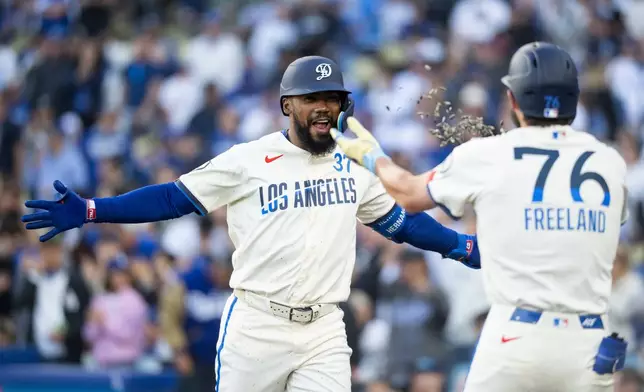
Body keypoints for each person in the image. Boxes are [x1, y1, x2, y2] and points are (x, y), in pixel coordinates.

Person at [20, 55, 480, 392]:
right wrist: (93, 210)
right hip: (258, 325)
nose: (324, 108)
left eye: (334, 99)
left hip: (323, 329)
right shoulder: (248, 160)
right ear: (287, 105)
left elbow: (399, 223)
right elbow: (172, 198)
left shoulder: (352, 162)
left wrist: (462, 246)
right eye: (312, 99)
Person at [331, 42, 629, 391]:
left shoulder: (490, 153)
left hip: (518, 334)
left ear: (513, 100)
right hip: (590, 343)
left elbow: (408, 194)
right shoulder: (610, 163)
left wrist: (373, 157)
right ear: (574, 100)